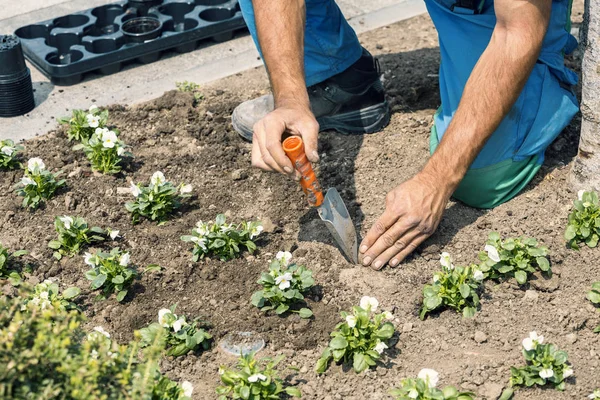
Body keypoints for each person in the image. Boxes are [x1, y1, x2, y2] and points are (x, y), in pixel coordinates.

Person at [231, 0, 579, 269]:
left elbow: (517, 30)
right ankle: (333, 78)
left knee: (480, 177)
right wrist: (291, 97)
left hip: (491, 11)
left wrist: (437, 180)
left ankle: (545, 70)